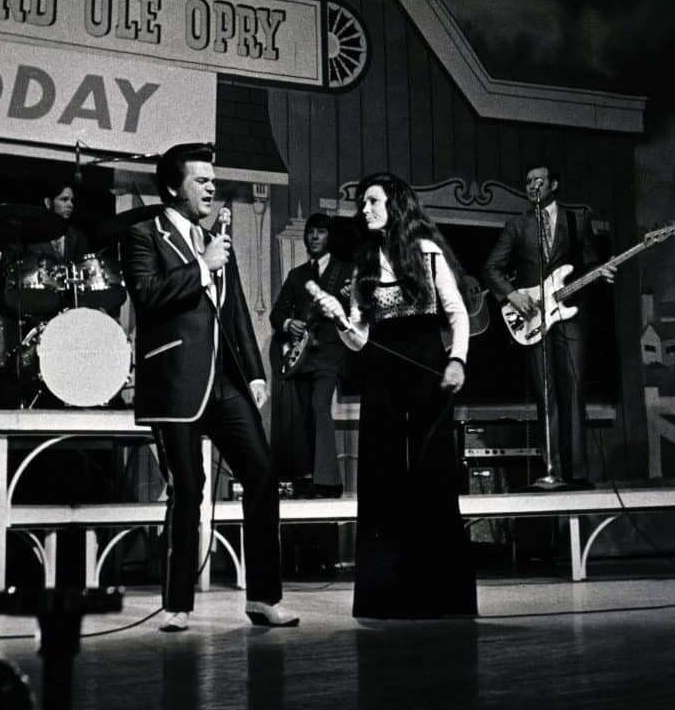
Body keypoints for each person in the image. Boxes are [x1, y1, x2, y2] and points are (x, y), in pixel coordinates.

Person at [121, 143, 297, 632]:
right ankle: (177, 604)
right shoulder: (143, 236)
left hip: (225, 382)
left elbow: (236, 309)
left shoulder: (217, 240)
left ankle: (264, 598)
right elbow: (149, 296)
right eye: (201, 180)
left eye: (213, 179)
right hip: (174, 383)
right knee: (189, 490)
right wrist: (202, 266)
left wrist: (256, 372)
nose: (212, 187)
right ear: (174, 187)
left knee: (261, 474)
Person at [314, 172, 475, 619]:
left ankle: (441, 596)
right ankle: (385, 598)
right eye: (363, 202)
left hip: (429, 371)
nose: (363, 210)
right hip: (381, 376)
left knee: (433, 474)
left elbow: (457, 314)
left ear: (395, 206)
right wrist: (341, 321)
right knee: (382, 478)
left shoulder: (427, 254)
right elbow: (359, 340)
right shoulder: (361, 263)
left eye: (372, 201)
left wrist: (457, 360)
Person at [481, 164, 614, 488]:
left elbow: (590, 262)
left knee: (575, 389)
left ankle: (578, 473)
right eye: (527, 181)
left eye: (538, 180)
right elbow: (491, 268)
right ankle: (551, 469)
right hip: (532, 317)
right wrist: (513, 296)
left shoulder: (576, 220)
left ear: (554, 183)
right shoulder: (517, 225)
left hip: (570, 315)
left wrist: (601, 273)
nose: (531, 186)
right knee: (546, 393)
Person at [270, 213, 353, 498]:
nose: (314, 237)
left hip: (331, 354)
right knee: (305, 415)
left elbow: (358, 313)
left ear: (330, 237)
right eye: (310, 232)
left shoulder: (346, 272)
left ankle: (329, 482)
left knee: (319, 406)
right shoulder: (297, 275)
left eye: (320, 232)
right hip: (303, 357)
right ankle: (307, 476)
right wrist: (287, 324)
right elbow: (277, 313)